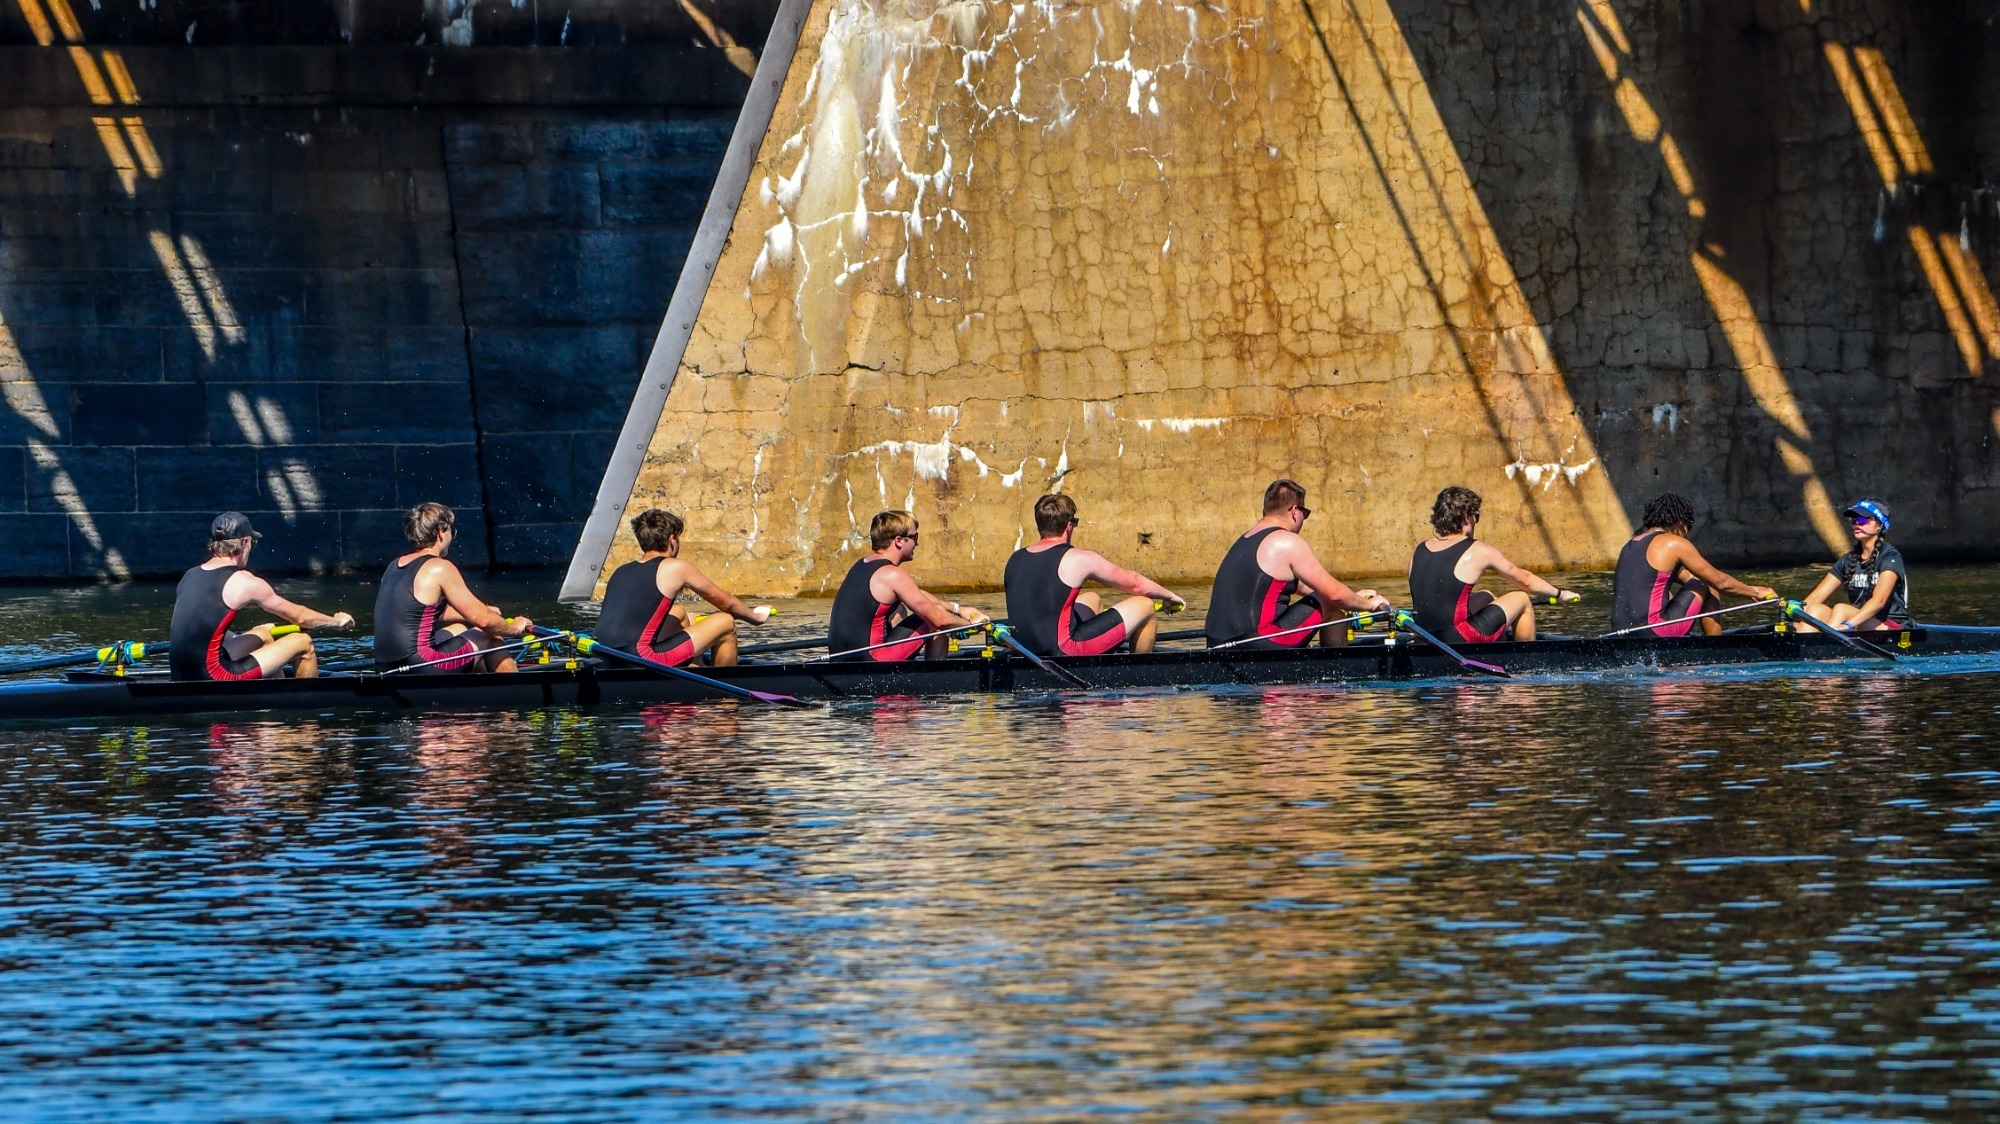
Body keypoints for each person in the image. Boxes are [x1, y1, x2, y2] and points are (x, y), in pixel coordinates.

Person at [169, 511, 355, 681]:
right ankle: (304, 705)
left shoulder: (190, 575)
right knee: (303, 643)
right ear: (244, 542)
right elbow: (301, 617)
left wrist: (243, 636)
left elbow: (198, 630)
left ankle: (275, 697)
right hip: (213, 676)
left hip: (180, 673)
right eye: (252, 543)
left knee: (262, 635)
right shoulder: (246, 581)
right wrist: (336, 622)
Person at [1204, 479, 1389, 649]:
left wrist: (1354, 598)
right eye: (1305, 513)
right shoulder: (1287, 541)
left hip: (1217, 645)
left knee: (1327, 599)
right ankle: (1338, 667)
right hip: (1258, 645)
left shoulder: (1245, 540)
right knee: (1329, 604)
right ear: (1294, 511)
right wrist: (1370, 605)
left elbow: (1309, 587)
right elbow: (1334, 595)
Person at [1003, 493, 1184, 657]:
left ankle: (1103, 653)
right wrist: (1170, 596)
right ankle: (1139, 673)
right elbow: (1135, 583)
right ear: (1069, 526)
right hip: (1063, 650)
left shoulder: (1015, 558)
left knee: (1092, 599)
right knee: (1145, 605)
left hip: (1024, 649)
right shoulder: (1077, 558)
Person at [595, 508, 772, 666]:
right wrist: (756, 617)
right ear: (672, 539)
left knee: (679, 613)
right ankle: (722, 687)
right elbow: (728, 604)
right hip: (641, 658)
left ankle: (695, 667)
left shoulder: (621, 570)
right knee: (725, 622)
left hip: (605, 654)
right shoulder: (676, 567)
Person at [373, 502, 532, 672]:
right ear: (440, 532)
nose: (452, 537)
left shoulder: (393, 566)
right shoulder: (439, 567)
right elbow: (485, 621)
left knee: (458, 629)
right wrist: (515, 628)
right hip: (421, 665)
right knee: (489, 636)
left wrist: (480, 611)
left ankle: (477, 683)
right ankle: (514, 686)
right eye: (451, 530)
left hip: (385, 667)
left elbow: (420, 612)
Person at [1408, 485, 1579, 643]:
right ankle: (1525, 659)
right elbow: (1526, 580)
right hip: (1459, 637)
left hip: (1425, 637)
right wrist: (1560, 594)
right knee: (1522, 598)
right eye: (1476, 517)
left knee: (1486, 596)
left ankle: (1500, 640)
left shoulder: (1419, 550)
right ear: (1467, 518)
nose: (1475, 522)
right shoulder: (1478, 549)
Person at [827, 510, 988, 661]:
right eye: (914, 537)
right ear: (899, 541)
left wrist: (958, 609)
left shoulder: (862, 564)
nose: (916, 544)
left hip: (839, 658)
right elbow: (940, 620)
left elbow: (916, 594)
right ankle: (935, 678)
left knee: (899, 609)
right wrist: (974, 625)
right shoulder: (893, 574)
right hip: (872, 660)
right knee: (935, 622)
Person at [1611, 492, 1779, 636]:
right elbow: (1720, 583)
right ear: (1681, 523)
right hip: (1655, 632)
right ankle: (1715, 648)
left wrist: (1742, 588)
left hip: (1621, 633)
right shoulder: (1674, 543)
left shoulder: (1630, 545)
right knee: (1708, 584)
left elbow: (1688, 579)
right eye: (1689, 526)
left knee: (1666, 590)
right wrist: (1756, 592)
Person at [1800, 498, 1910, 632]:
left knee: (1841, 609)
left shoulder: (1890, 557)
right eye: (1854, 520)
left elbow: (1879, 601)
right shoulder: (1848, 560)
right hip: (1857, 623)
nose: (1857, 523)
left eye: (1863, 519)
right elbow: (1815, 598)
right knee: (1815, 610)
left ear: (1879, 525)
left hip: (1891, 627)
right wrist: (1793, 614)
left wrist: (1847, 625)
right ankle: (1802, 643)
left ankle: (1827, 642)